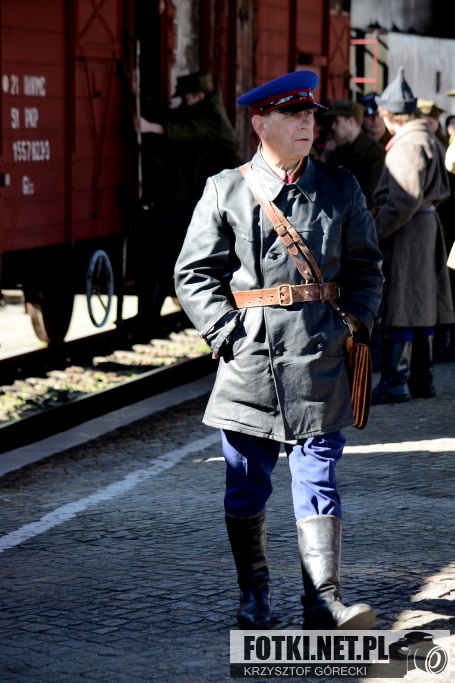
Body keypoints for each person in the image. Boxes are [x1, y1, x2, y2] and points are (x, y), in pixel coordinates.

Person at [175, 70, 383, 630]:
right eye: (292, 115)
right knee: (245, 484)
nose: (306, 124)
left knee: (319, 478)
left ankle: (324, 601)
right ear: (260, 124)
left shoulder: (340, 187)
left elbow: (367, 268)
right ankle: (254, 597)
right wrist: (227, 333)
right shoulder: (226, 189)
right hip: (250, 363)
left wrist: (354, 323)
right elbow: (192, 274)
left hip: (320, 360)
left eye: (310, 114)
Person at [133, 71, 242, 336]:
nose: (183, 103)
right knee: (165, 255)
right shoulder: (196, 110)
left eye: (187, 98)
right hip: (195, 202)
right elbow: (175, 120)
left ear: (199, 95)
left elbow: (189, 132)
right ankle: (148, 318)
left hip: (217, 206)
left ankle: (153, 318)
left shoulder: (212, 117)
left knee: (176, 257)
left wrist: (149, 127)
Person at [371, 67, 455, 404]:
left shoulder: (408, 144)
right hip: (423, 227)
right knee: (421, 305)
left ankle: (396, 380)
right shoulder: (427, 137)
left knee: (404, 305)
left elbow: (402, 200)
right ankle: (422, 378)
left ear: (390, 116)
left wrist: (374, 233)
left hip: (408, 232)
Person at [318, 100, 386, 209]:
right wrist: (325, 155)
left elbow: (370, 198)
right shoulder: (338, 150)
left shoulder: (374, 152)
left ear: (351, 121)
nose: (333, 127)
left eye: (337, 122)